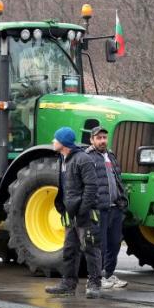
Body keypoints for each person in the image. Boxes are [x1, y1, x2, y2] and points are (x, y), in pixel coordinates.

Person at [46, 126, 104, 298]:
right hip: (70, 214)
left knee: (91, 248)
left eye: (55, 139)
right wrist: (63, 208)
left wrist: (82, 210)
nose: (53, 142)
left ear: (63, 142)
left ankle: (94, 285)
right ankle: (68, 284)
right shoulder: (62, 159)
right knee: (70, 250)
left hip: (84, 214)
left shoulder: (82, 159)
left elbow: (91, 187)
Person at [84, 126, 129, 289]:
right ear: (92, 140)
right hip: (99, 209)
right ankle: (99, 276)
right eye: (99, 138)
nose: (102, 141)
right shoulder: (87, 158)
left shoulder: (110, 155)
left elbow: (118, 179)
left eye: (104, 137)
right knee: (100, 245)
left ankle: (109, 274)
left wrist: (122, 201)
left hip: (115, 207)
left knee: (115, 243)